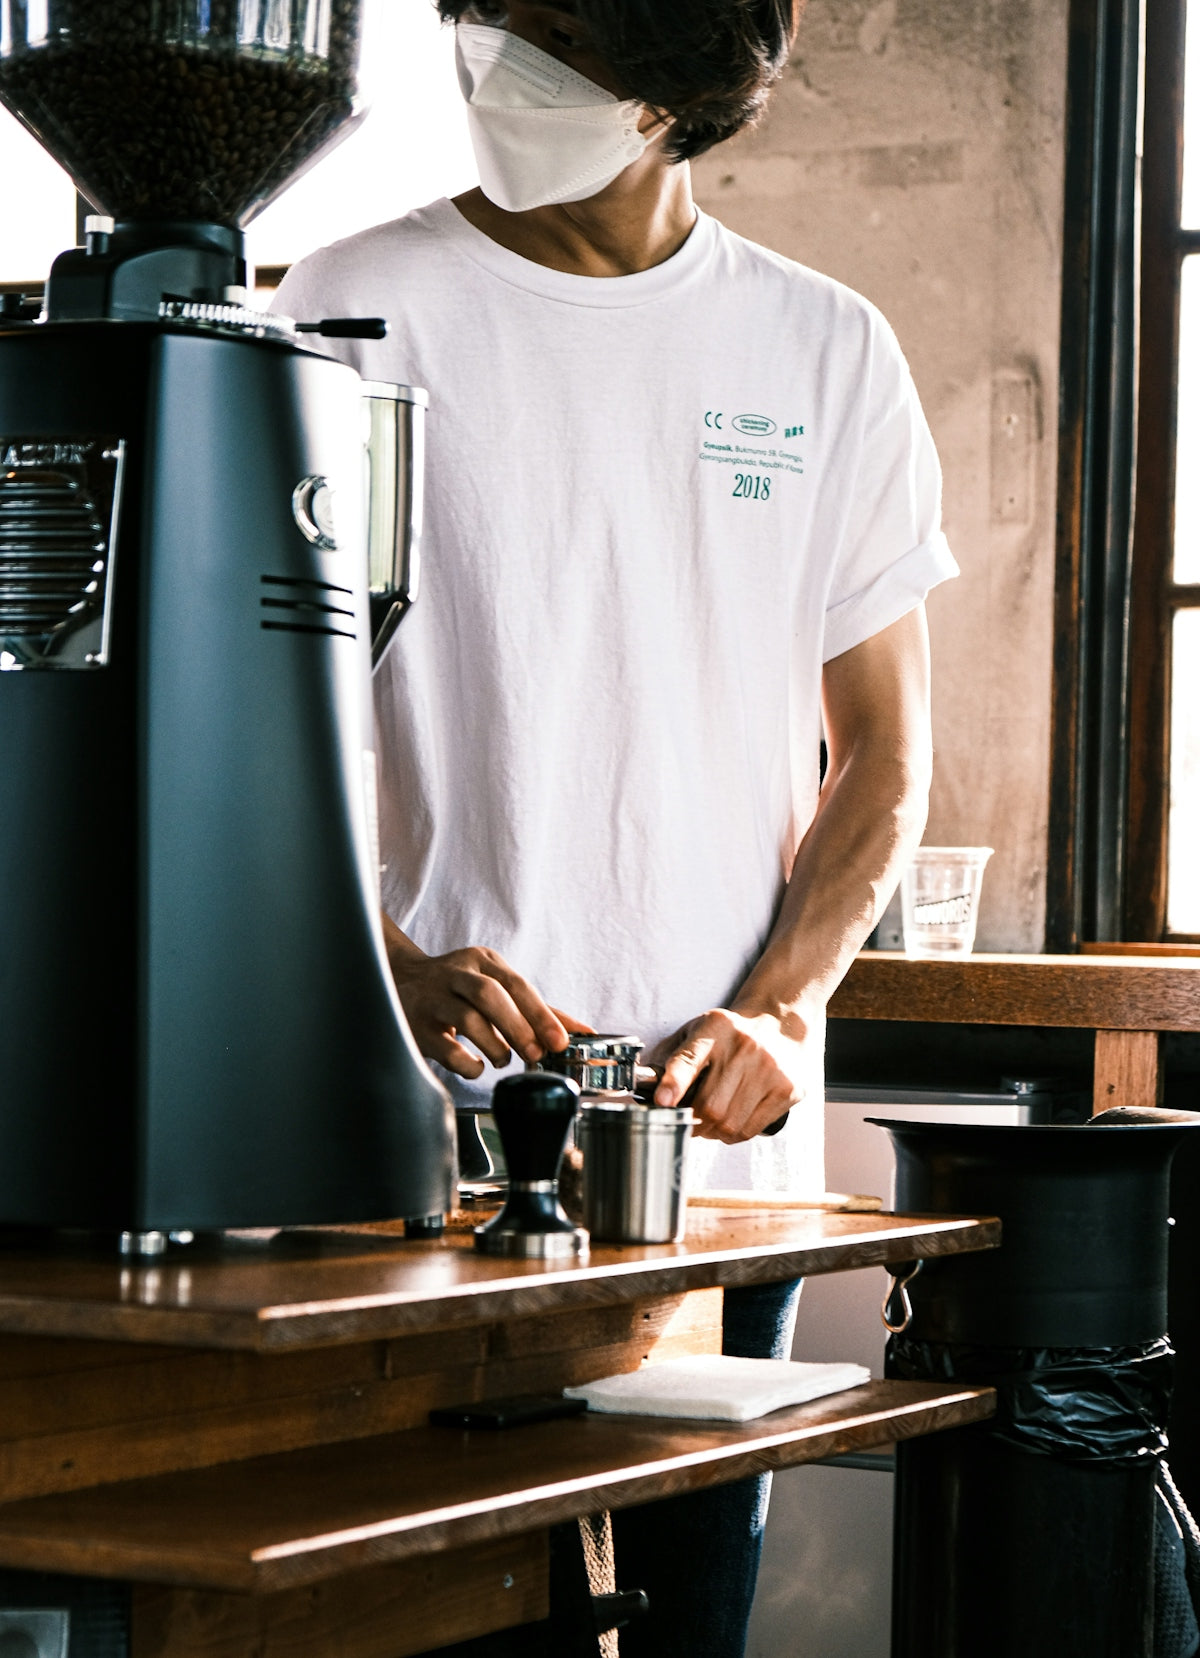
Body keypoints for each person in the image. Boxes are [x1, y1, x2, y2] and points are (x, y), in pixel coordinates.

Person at [275, 1, 956, 1650]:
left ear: (670, 104)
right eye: (476, 21)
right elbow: (250, 721)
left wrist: (784, 1007)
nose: (482, 62)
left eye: (537, 44)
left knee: (688, 1619)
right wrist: (389, 963)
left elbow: (883, 758)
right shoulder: (347, 311)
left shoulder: (822, 347)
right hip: (419, 1147)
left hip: (712, 1164)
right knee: (431, 1614)